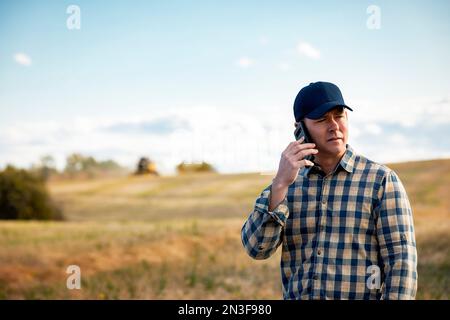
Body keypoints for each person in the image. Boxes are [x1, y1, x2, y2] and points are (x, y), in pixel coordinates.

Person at [241, 81, 417, 300]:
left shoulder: (381, 181)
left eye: (339, 115)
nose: (334, 126)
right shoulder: (287, 184)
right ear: (300, 129)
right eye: (322, 119)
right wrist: (279, 185)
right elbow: (257, 249)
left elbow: (401, 263)